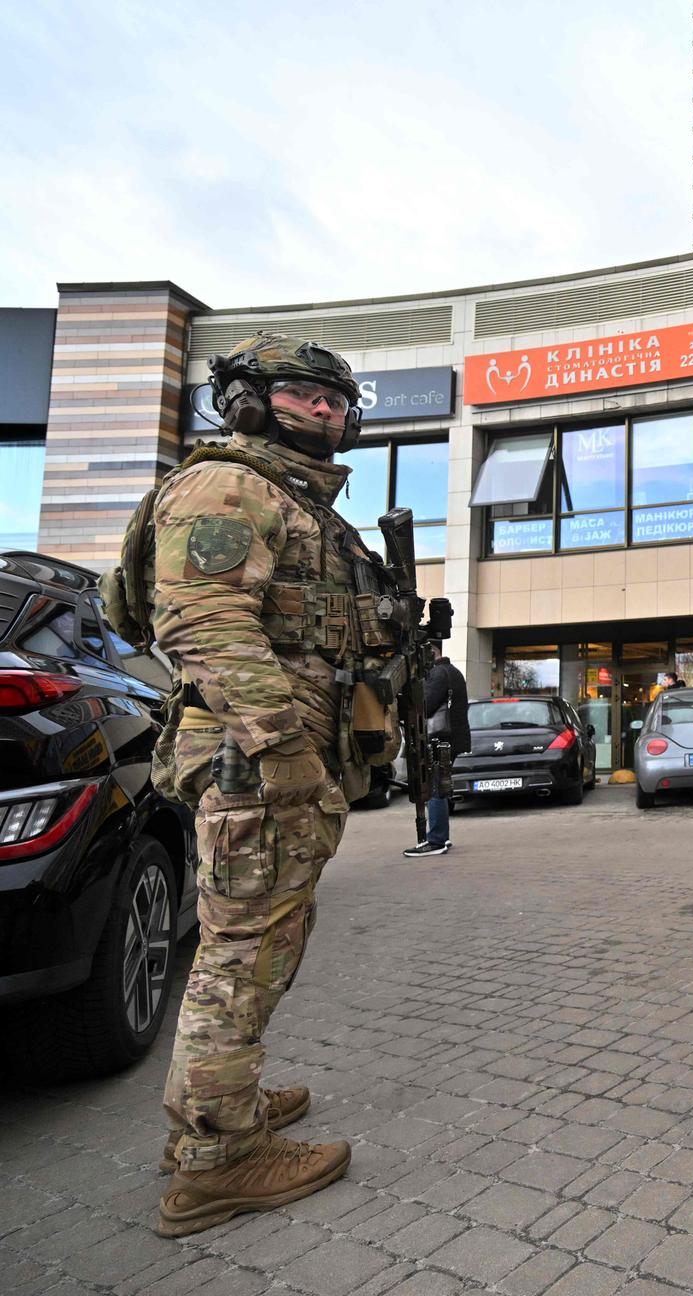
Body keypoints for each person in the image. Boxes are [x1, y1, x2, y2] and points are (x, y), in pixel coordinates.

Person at [151, 332, 398, 1238]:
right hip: (259, 767)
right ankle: (218, 1159)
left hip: (280, 766)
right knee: (241, 952)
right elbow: (204, 620)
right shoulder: (230, 484)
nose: (324, 410)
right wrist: (285, 750)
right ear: (249, 399)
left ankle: (224, 1108)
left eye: (336, 398)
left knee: (259, 941)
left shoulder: (297, 500)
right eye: (301, 393)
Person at [404, 642, 470, 857]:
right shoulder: (451, 671)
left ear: (429, 654)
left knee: (434, 788)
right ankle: (440, 836)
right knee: (440, 785)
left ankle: (436, 839)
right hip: (450, 738)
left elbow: (425, 705)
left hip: (440, 739)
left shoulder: (438, 674)